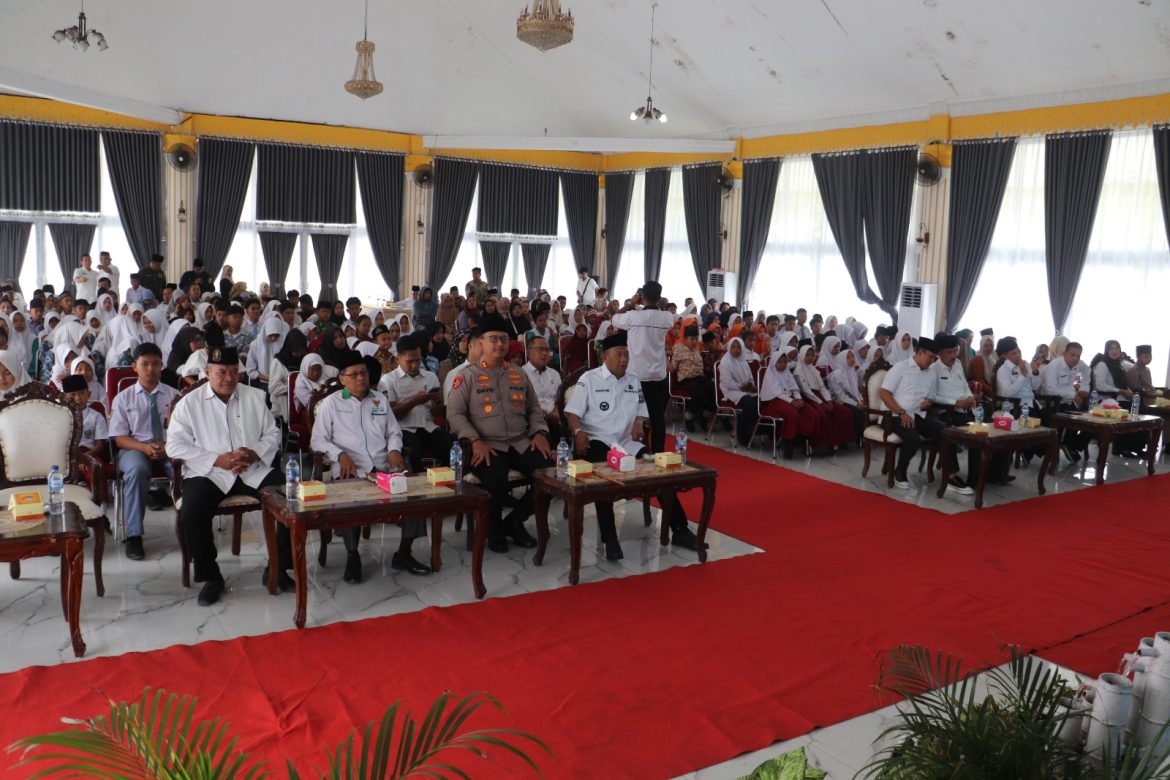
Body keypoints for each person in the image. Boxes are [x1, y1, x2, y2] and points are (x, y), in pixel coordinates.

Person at [166, 347, 288, 605]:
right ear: (207, 372)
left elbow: (272, 434)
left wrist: (254, 453)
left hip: (252, 469)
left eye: (234, 372)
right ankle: (211, 576)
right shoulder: (189, 403)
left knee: (290, 498)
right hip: (210, 473)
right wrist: (216, 459)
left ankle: (278, 567)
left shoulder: (255, 397)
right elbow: (174, 446)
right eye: (221, 372)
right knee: (192, 510)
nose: (229, 378)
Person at [563, 331, 699, 560]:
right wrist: (577, 432)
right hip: (598, 440)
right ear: (605, 356)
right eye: (619, 354)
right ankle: (610, 539)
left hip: (627, 442)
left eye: (626, 354)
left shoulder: (633, 379)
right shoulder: (589, 379)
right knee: (602, 481)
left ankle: (680, 529)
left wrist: (638, 423)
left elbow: (641, 410)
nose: (624, 359)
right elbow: (572, 414)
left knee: (660, 473)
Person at [312, 352, 431, 581]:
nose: (360, 378)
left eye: (364, 372)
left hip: (383, 467)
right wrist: (340, 454)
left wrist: (394, 450)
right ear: (342, 378)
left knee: (414, 497)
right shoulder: (332, 403)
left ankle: (404, 553)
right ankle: (352, 555)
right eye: (354, 374)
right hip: (351, 469)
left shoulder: (379, 400)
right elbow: (317, 440)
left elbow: (394, 432)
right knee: (350, 504)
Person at [446, 314, 553, 553]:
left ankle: (514, 522)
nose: (499, 344)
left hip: (520, 441)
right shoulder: (466, 376)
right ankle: (494, 530)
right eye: (493, 339)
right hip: (487, 444)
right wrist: (474, 440)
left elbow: (534, 409)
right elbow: (455, 414)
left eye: (503, 339)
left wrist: (539, 433)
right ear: (481, 342)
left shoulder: (518, 373)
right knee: (495, 479)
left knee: (552, 475)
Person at [109, 343, 181, 560]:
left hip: (170, 447)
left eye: (156, 364)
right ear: (134, 367)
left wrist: (167, 449)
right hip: (135, 448)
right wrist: (144, 448)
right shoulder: (123, 398)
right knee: (137, 471)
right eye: (145, 364)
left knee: (185, 469)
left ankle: (190, 529)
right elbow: (119, 438)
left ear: (162, 365)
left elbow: (187, 432)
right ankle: (134, 536)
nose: (151, 369)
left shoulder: (175, 396)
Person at [610, 281, 675, 453]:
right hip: (658, 375)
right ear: (660, 298)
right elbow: (661, 315)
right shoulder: (667, 317)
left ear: (642, 296)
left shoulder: (633, 316)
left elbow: (614, 318)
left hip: (635, 375)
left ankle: (639, 448)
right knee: (657, 416)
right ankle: (659, 451)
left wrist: (631, 303)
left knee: (634, 415)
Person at [380, 335, 451, 473]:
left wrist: (436, 401)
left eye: (418, 360)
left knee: (448, 442)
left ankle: (447, 480)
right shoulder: (388, 380)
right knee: (414, 448)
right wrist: (414, 402)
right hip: (404, 428)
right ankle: (417, 485)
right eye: (409, 361)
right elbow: (392, 414)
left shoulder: (430, 377)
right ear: (398, 359)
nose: (415, 365)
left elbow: (437, 413)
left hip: (427, 425)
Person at [879, 337, 943, 490]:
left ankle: (951, 476)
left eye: (935, 358)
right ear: (920, 352)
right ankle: (899, 472)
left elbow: (931, 396)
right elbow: (884, 393)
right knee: (912, 439)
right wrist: (901, 412)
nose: (933, 361)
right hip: (893, 415)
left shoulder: (931, 373)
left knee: (943, 431)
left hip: (918, 413)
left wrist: (927, 402)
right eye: (931, 357)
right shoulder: (900, 368)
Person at [925, 334, 977, 494]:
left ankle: (981, 475)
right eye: (949, 352)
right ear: (940, 353)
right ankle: (954, 476)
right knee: (975, 433)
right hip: (945, 413)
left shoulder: (958, 364)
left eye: (955, 351)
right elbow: (932, 396)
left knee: (988, 429)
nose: (954, 356)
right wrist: (955, 403)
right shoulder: (933, 369)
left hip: (965, 409)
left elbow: (964, 385)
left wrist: (970, 397)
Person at [760, 348, 817, 458]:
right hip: (774, 401)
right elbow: (777, 393)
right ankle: (788, 442)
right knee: (792, 414)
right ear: (774, 363)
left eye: (785, 362)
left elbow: (793, 387)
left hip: (789, 399)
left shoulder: (786, 372)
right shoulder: (771, 374)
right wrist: (792, 402)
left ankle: (806, 441)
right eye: (780, 362)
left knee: (810, 413)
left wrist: (798, 398)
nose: (783, 365)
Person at [1040, 340, 1093, 460]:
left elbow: (1082, 382)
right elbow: (1051, 390)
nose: (1075, 358)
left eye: (1078, 356)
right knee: (1072, 415)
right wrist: (1073, 395)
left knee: (1094, 418)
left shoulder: (1081, 366)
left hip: (1073, 401)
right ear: (1064, 353)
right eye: (1072, 355)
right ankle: (1069, 446)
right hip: (1052, 404)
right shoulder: (1054, 366)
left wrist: (1081, 392)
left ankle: (1073, 446)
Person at [670, 324, 715, 431]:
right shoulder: (679, 349)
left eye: (696, 339)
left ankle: (703, 414)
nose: (694, 341)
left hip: (699, 377)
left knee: (715, 390)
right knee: (699, 392)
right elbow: (672, 368)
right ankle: (688, 417)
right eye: (691, 339)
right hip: (686, 379)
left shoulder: (696, 351)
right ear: (685, 339)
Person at [718, 337, 759, 447]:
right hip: (732, 391)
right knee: (750, 404)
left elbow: (750, 378)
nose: (736, 350)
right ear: (729, 348)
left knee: (760, 401)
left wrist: (752, 386)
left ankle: (753, 433)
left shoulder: (743, 361)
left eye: (738, 348)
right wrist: (741, 387)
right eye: (733, 347)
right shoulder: (725, 362)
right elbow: (728, 383)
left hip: (745, 390)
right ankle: (741, 434)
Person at [523, 334, 562, 442]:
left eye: (547, 350)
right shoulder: (521, 374)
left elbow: (559, 399)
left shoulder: (554, 374)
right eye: (540, 349)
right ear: (528, 352)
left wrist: (556, 412)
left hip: (553, 421)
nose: (545, 353)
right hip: (531, 423)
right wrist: (541, 414)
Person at [62, 373, 108, 461]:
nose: (78, 398)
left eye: (82, 393)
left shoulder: (97, 416)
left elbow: (100, 445)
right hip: (65, 456)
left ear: (89, 394)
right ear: (64, 397)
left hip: (90, 455)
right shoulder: (59, 416)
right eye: (72, 395)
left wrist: (83, 457)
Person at [995, 336, 1040, 409]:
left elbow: (1035, 387)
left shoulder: (1026, 364)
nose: (1018, 355)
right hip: (1016, 407)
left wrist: (1035, 372)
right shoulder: (1003, 370)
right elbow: (1007, 394)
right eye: (1013, 353)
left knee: (1052, 416)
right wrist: (1023, 375)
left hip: (1031, 403)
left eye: (1018, 351)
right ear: (1006, 356)